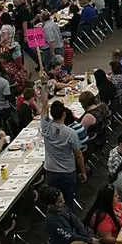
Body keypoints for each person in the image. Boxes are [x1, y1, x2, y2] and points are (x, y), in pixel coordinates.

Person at [39, 78, 86, 211]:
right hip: (67, 171)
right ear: (64, 114)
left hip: (51, 171)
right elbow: (78, 155)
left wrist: (44, 86)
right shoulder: (70, 133)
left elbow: (44, 105)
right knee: (68, 200)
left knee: (53, 202)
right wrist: (83, 171)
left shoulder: (46, 127)